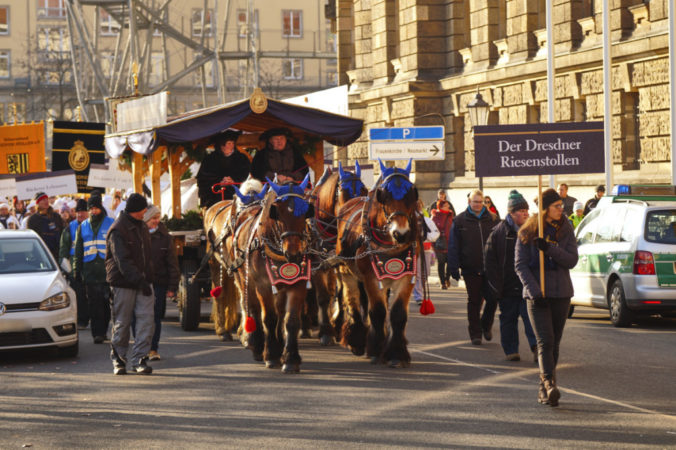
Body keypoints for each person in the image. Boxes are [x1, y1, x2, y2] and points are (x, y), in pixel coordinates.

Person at [515, 188, 578, 407]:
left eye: (562, 206)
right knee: (545, 341)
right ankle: (550, 384)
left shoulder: (566, 228)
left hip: (561, 293)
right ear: (545, 209)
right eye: (557, 206)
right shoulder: (527, 232)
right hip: (538, 295)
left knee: (555, 343)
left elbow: (571, 260)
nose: (562, 209)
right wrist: (534, 292)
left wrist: (550, 249)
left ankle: (544, 388)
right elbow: (520, 266)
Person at [484, 190, 537, 362]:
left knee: (532, 319)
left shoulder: (531, 231)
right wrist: (494, 285)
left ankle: (537, 349)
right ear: (512, 213)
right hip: (506, 286)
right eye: (522, 211)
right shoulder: (499, 232)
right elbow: (489, 259)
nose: (525, 214)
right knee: (508, 318)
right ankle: (511, 350)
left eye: (526, 211)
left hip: (526, 284)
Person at [106, 193, 155, 375]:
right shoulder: (118, 230)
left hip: (142, 281)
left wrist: (148, 278)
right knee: (122, 322)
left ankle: (140, 359)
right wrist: (140, 280)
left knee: (146, 321)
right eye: (143, 210)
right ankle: (119, 359)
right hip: (123, 283)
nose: (145, 213)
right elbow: (122, 261)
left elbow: (147, 256)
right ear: (136, 211)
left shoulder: (141, 226)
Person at [447, 189, 500, 345]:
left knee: (493, 298)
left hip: (491, 268)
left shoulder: (494, 219)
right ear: (469, 202)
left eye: (480, 201)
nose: (477, 204)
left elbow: (500, 243)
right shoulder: (459, 221)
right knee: (474, 301)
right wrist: (453, 267)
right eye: (474, 202)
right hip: (471, 267)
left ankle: (486, 325)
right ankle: (475, 333)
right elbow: (453, 246)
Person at [73, 195, 113, 344]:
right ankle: (97, 333)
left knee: (105, 304)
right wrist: (77, 270)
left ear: (101, 207)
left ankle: (103, 330)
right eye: (91, 209)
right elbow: (78, 250)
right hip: (89, 271)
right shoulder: (82, 226)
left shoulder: (110, 223)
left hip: (106, 270)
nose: (93, 211)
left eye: (96, 208)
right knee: (93, 304)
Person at [143, 204, 179, 361]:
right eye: (153, 218)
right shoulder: (138, 234)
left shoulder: (165, 237)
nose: (156, 221)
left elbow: (172, 263)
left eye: (158, 218)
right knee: (141, 316)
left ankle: (153, 348)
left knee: (156, 316)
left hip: (159, 282)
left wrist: (172, 286)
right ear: (146, 219)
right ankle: (142, 346)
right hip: (141, 282)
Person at [196, 130, 251, 208]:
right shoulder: (210, 159)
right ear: (221, 145)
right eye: (228, 143)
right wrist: (220, 182)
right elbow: (203, 179)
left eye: (232, 143)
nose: (231, 146)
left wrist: (233, 180)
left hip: (237, 194)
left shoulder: (241, 158)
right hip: (215, 196)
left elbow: (246, 175)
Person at [59, 198, 89, 330]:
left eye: (83, 211)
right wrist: (68, 270)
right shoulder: (69, 228)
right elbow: (63, 251)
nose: (80, 214)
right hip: (75, 268)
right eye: (78, 212)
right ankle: (82, 320)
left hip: (90, 266)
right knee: (79, 296)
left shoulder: (92, 225)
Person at [413, 200, 439, 304]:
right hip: (416, 250)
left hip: (427, 250)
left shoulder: (427, 220)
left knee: (426, 273)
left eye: (419, 205)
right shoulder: (411, 220)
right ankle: (419, 296)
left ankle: (420, 290)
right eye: (416, 206)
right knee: (418, 273)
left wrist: (426, 237)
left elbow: (436, 233)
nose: (418, 207)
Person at [27, 191, 64, 260]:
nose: (46, 201)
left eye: (47, 199)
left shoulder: (56, 216)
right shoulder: (32, 219)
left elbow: (62, 232)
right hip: (41, 253)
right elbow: (31, 239)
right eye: (43, 200)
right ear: (37, 202)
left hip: (57, 252)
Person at [431, 200, 454, 289]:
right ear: (440, 207)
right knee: (441, 263)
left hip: (450, 242)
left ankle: (447, 278)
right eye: (446, 206)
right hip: (439, 243)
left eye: (448, 206)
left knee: (450, 263)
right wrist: (432, 244)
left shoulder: (450, 215)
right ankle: (442, 282)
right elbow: (431, 230)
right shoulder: (435, 216)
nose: (448, 207)